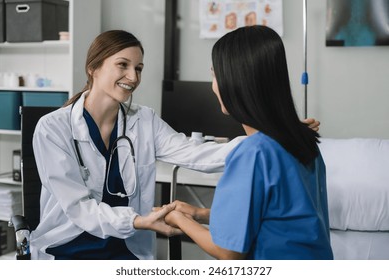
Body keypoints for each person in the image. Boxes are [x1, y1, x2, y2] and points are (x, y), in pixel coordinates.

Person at [30, 30, 320, 260]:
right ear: (93, 68)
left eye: (139, 68)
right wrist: (140, 221)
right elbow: (79, 208)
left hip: (126, 249)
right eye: (123, 65)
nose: (133, 77)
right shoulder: (53, 128)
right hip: (70, 248)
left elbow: (195, 153)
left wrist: (274, 134)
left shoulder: (143, 120)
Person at [164, 25, 334, 260]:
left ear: (236, 81)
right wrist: (199, 213)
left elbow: (229, 252)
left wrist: (180, 220)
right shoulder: (304, 140)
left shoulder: (252, 154)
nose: (213, 85)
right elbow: (278, 216)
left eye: (215, 74)